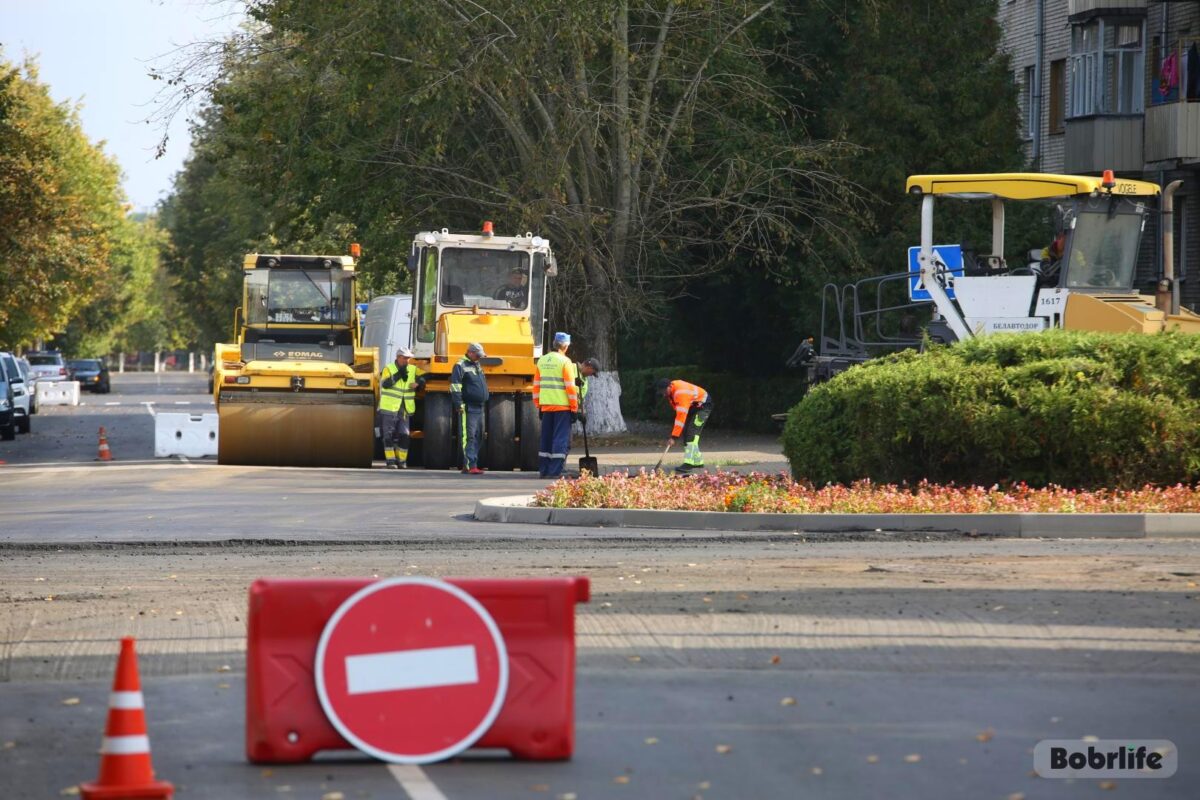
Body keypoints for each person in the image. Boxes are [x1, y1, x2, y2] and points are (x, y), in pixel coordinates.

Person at [534, 332, 579, 478]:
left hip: (546, 407)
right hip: (562, 407)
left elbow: (536, 386)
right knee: (560, 439)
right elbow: (570, 388)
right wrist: (574, 408)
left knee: (545, 438)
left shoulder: (541, 360)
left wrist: (538, 405)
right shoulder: (565, 362)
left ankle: (544, 470)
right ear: (565, 346)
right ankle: (555, 472)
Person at [656, 378, 713, 474]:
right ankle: (698, 460)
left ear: (670, 386)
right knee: (688, 433)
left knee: (691, 434)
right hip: (694, 408)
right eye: (661, 392)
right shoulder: (672, 392)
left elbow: (681, 415)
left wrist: (674, 437)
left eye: (664, 391)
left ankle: (689, 463)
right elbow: (680, 412)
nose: (663, 394)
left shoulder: (680, 393)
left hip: (703, 407)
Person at [378, 347, 423, 469]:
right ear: (398, 357)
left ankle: (401, 460)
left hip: (404, 408)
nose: (407, 361)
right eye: (404, 358)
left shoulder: (413, 369)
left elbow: (425, 376)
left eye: (409, 358)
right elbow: (386, 384)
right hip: (389, 407)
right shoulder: (389, 368)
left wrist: (419, 383)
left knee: (404, 434)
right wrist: (399, 374)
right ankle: (391, 461)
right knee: (388, 434)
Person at [450, 342, 490, 474]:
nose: (479, 357)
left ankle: (472, 463)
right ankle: (469, 465)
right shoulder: (460, 365)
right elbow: (455, 386)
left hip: (479, 407)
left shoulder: (476, 364)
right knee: (469, 436)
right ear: (470, 352)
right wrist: (458, 404)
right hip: (468, 407)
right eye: (477, 355)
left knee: (478, 436)